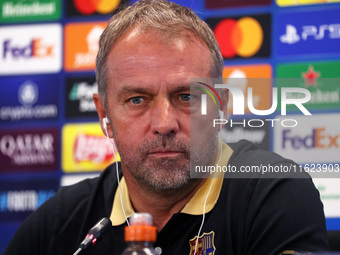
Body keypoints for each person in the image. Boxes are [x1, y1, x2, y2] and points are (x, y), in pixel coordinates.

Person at [3, 1, 329, 254]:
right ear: (104, 114)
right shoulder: (60, 223)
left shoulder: (272, 193)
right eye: (137, 100)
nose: (163, 124)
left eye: (186, 96)